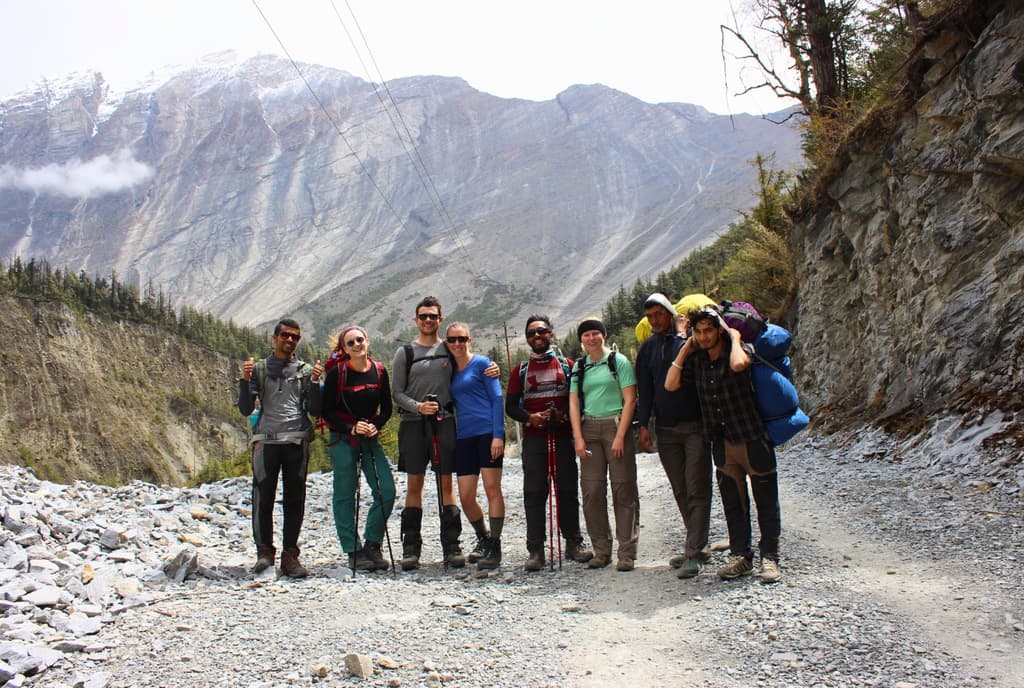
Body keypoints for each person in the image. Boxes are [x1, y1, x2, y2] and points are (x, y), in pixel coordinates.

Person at [665, 306, 782, 583]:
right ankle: (741, 556)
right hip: (722, 443)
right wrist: (685, 349)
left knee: (765, 501)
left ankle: (770, 558)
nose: (704, 337)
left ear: (719, 329)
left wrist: (734, 337)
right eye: (699, 332)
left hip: (753, 438)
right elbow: (671, 385)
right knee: (733, 503)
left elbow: (740, 365)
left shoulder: (741, 351)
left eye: (709, 330)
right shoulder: (698, 363)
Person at [391, 296, 498, 570]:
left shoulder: (449, 348)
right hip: (414, 424)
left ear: (440, 319)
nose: (428, 320)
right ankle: (411, 548)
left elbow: (469, 361)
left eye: (433, 316)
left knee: (446, 484)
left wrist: (490, 368)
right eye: (423, 316)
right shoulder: (405, 352)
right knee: (414, 485)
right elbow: (397, 393)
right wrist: (419, 407)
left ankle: (452, 545)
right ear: (416, 320)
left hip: (446, 422)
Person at [505, 315, 593, 571]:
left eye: (541, 331)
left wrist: (563, 415)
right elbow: (510, 405)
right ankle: (535, 550)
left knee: (566, 489)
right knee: (534, 492)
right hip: (534, 440)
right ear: (528, 338)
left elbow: (580, 400)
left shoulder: (568, 365)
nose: (537, 336)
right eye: (531, 333)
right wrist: (530, 418)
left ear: (551, 334)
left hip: (562, 435)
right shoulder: (520, 371)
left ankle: (573, 542)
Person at [237, 318, 323, 578]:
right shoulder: (260, 369)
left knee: (295, 499)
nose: (289, 340)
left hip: (296, 439)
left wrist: (316, 385)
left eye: (295, 337)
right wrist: (245, 380)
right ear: (274, 338)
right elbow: (245, 408)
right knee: (263, 497)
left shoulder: (306, 371)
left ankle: (290, 555)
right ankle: (264, 552)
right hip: (266, 441)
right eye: (285, 335)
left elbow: (316, 410)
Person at [635, 293, 711, 578]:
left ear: (670, 313)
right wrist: (644, 426)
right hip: (665, 429)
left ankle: (694, 551)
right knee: (680, 488)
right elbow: (646, 390)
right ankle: (696, 545)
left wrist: (681, 337)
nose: (655, 320)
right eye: (650, 316)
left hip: (695, 426)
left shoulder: (691, 342)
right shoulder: (647, 350)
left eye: (659, 314)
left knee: (697, 486)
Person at [320, 325, 396, 572]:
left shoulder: (380, 371)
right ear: (344, 349)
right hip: (343, 439)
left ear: (368, 341)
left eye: (359, 340)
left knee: (386, 489)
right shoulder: (337, 374)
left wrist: (375, 426)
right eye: (350, 343)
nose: (356, 345)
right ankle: (353, 550)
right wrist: (351, 428)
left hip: (369, 438)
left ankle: (372, 543)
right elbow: (326, 411)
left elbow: (386, 408)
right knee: (345, 493)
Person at [568, 317, 639, 572]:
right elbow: (574, 402)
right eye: (586, 335)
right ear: (581, 340)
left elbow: (630, 399)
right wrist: (578, 436)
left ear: (603, 336)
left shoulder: (618, 361)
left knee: (623, 489)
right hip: (589, 429)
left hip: (615, 425)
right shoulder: (578, 367)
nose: (591, 338)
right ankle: (601, 550)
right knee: (592, 491)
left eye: (596, 334)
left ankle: (626, 552)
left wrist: (621, 435)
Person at [446, 322, 506, 570]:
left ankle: (495, 544)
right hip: (464, 437)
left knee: (492, 489)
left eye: (462, 339)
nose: (458, 344)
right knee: (466, 495)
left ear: (469, 340)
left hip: (486, 433)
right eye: (453, 340)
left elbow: (497, 398)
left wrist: (498, 435)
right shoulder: (447, 369)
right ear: (447, 342)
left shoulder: (483, 364)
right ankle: (482, 537)